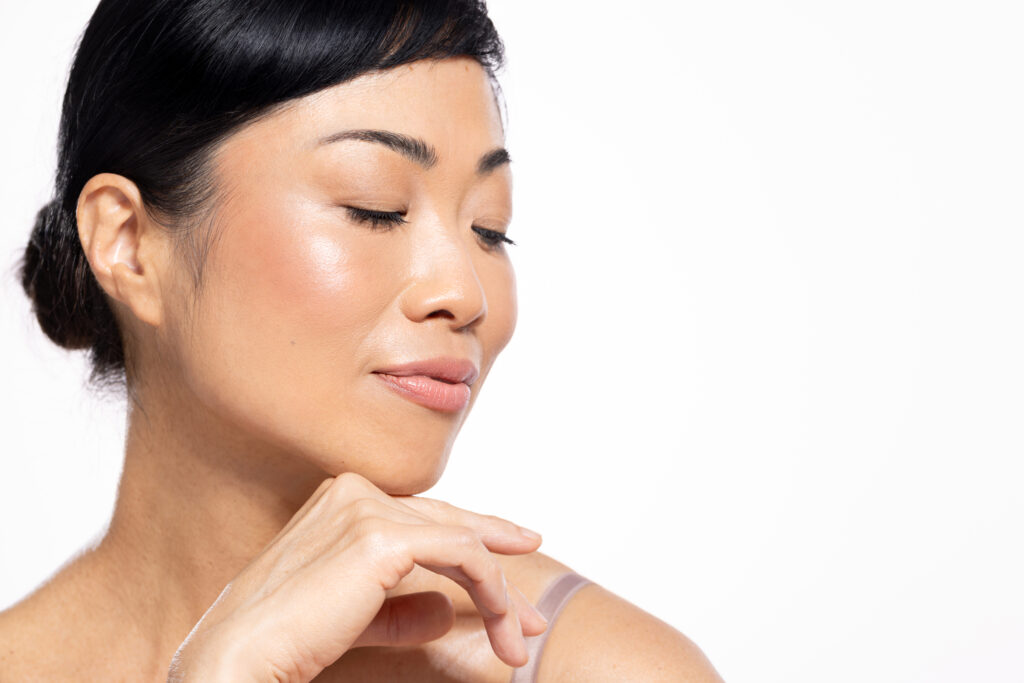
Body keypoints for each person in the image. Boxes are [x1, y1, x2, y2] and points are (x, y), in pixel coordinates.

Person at [0, 1, 723, 680]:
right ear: (128, 243)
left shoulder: (594, 665)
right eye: (374, 208)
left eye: (489, 228)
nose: (464, 293)